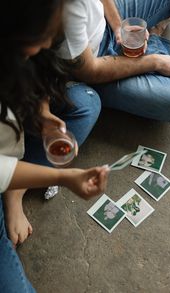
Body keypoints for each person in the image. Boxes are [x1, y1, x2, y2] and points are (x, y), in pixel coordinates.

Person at [0, 0, 109, 292]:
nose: (48, 42)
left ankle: (17, 188)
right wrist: (63, 176)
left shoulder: (21, 43)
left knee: (86, 103)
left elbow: (37, 74)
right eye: (41, 35)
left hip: (10, 143)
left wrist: (42, 114)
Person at [57, 0, 170, 125]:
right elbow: (90, 71)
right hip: (92, 67)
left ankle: (153, 35)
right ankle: (155, 36)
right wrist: (155, 61)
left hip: (104, 25)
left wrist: (119, 27)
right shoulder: (62, 10)